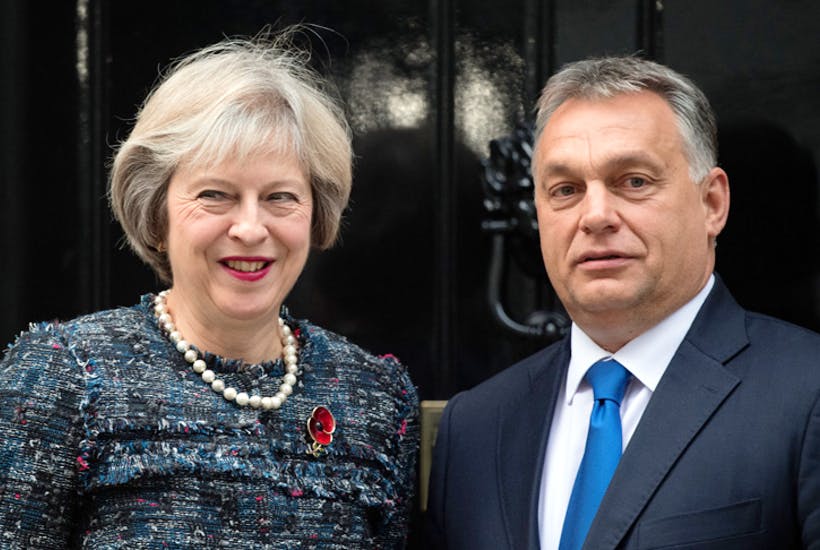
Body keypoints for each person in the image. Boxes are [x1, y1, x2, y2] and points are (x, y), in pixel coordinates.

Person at [0, 31, 418, 548]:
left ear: (315, 216)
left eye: (279, 197)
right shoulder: (64, 376)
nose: (249, 227)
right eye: (215, 195)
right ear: (157, 213)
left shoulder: (374, 396)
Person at [427, 55, 820, 549]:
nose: (595, 216)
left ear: (712, 203)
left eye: (633, 181)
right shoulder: (476, 428)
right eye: (565, 189)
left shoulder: (806, 394)